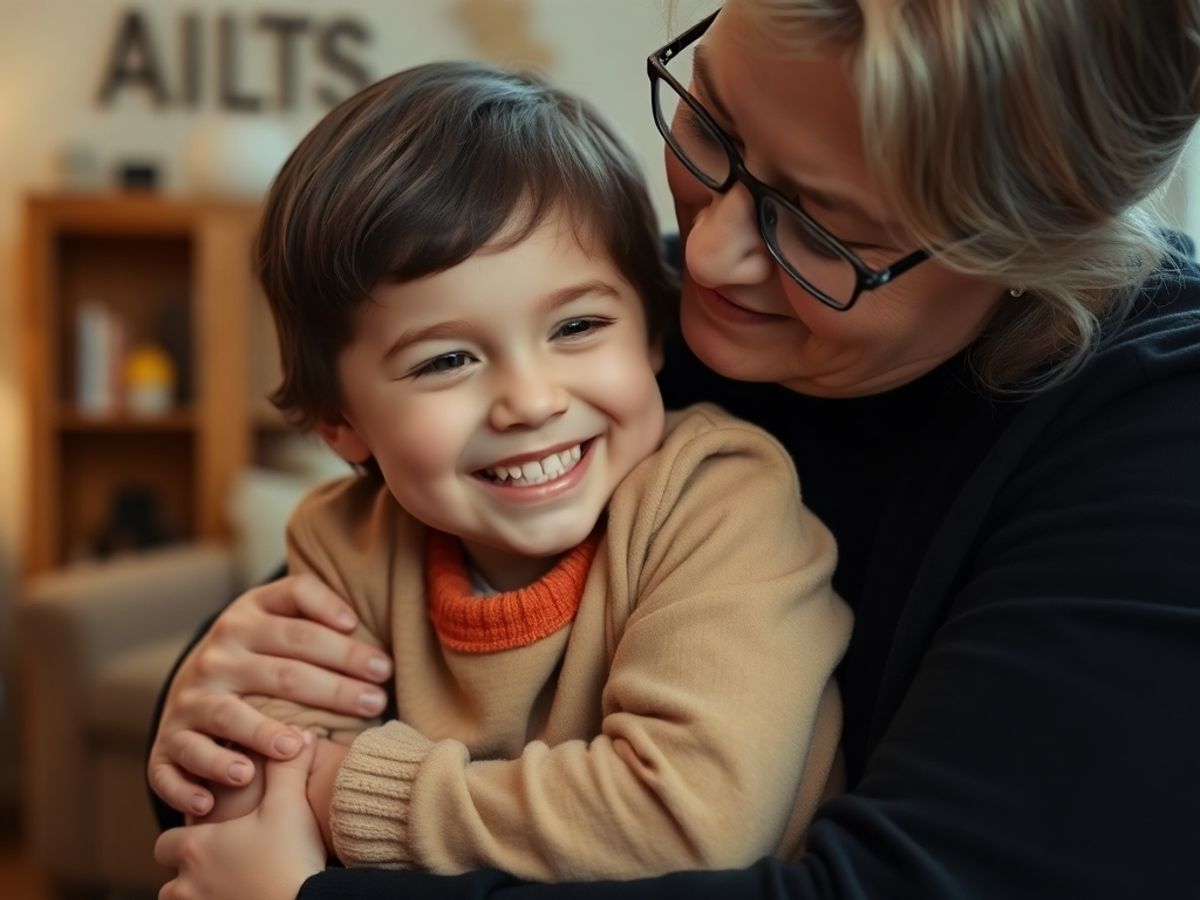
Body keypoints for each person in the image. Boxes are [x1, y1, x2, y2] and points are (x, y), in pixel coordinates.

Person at [152, 1, 1200, 898]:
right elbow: (242, 753)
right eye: (712, 124)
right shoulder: (610, 334)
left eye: (821, 227)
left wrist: (322, 847)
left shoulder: (1152, 441)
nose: (701, 254)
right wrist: (204, 699)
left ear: (1031, 246)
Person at [176, 59, 851, 881]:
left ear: (650, 337)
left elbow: (686, 819)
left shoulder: (719, 499)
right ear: (342, 423)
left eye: (576, 326)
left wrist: (344, 793)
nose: (530, 400)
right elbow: (248, 795)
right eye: (447, 359)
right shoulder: (342, 543)